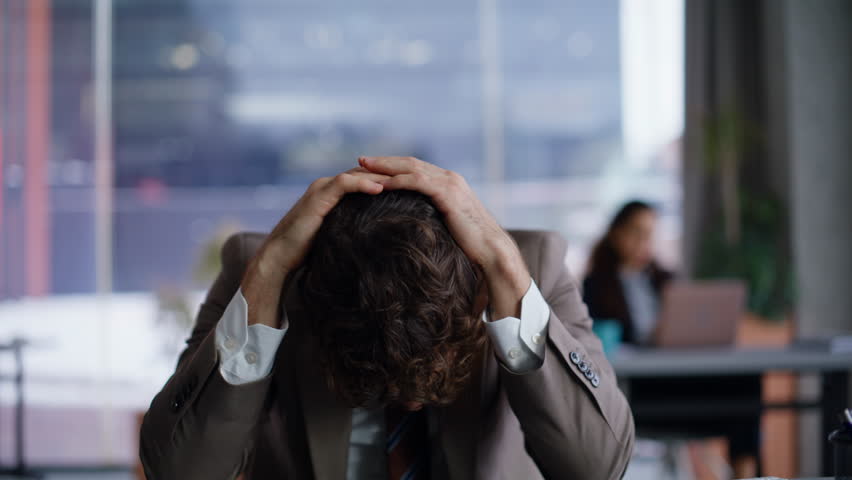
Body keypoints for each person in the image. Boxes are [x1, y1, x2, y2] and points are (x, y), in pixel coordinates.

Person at [139, 157, 635, 480]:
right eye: (382, 389)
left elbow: (598, 469)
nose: (411, 405)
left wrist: (508, 270)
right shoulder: (264, 274)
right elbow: (180, 471)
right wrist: (267, 271)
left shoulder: (529, 269)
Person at [582, 200, 760, 477]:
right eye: (636, 232)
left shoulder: (666, 281)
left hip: (679, 378)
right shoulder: (595, 287)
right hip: (637, 389)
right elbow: (596, 341)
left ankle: (748, 476)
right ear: (616, 234)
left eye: (650, 234)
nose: (644, 242)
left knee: (746, 385)